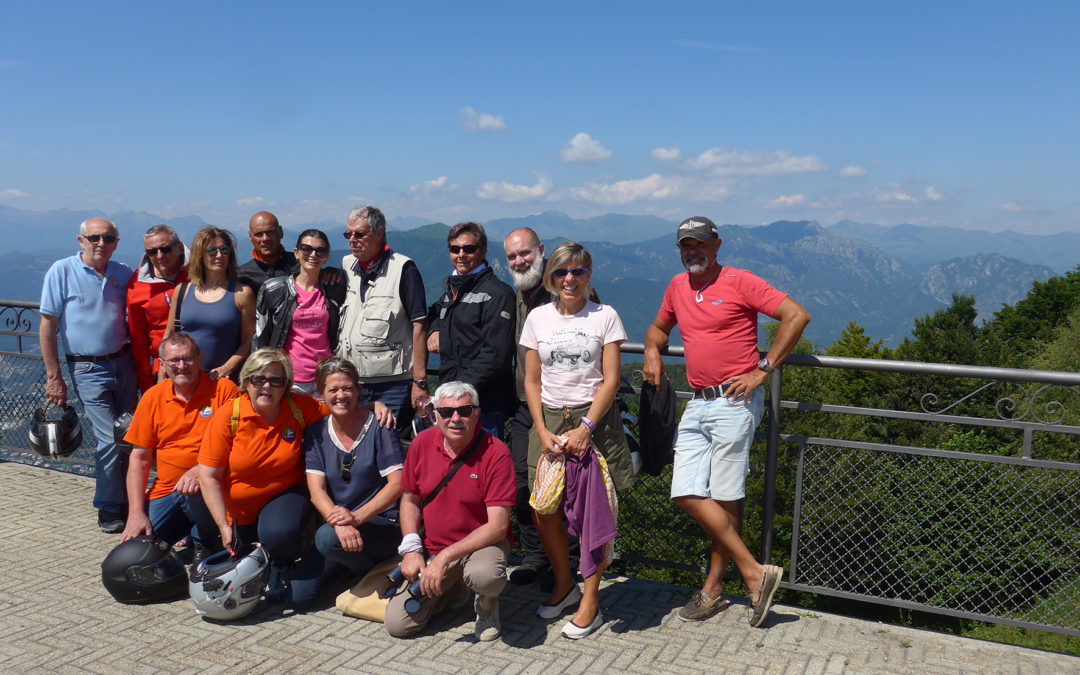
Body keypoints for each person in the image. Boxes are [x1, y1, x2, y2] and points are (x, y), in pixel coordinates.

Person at [642, 216, 811, 628]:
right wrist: (651, 348)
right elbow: (659, 327)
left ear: (717, 245)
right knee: (685, 491)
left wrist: (763, 369)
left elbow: (796, 316)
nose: (691, 251)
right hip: (697, 402)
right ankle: (754, 572)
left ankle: (715, 588)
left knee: (725, 496)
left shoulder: (740, 281)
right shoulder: (677, 286)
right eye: (685, 245)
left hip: (736, 401)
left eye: (699, 244)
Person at [198, 349, 394, 607]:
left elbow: (341, 405)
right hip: (240, 512)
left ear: (286, 386)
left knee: (279, 533)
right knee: (278, 581)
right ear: (246, 382)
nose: (267, 386)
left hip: (284, 499)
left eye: (276, 381)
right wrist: (223, 527)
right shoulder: (228, 415)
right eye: (258, 379)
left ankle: (281, 565)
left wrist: (371, 406)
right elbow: (208, 476)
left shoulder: (300, 408)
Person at [520, 241, 632, 639]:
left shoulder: (606, 317)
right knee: (544, 508)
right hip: (548, 418)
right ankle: (564, 582)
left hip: (593, 419)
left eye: (579, 271)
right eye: (562, 272)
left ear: (589, 274)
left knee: (591, 511)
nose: (570, 279)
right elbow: (531, 380)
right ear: (550, 277)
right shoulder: (537, 318)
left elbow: (612, 379)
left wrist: (585, 427)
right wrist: (541, 427)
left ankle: (590, 599)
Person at [384, 381, 515, 642]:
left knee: (485, 575)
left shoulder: (496, 453)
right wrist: (411, 548)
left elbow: (498, 526)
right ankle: (453, 588)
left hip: (480, 546)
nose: (455, 419)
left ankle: (486, 606)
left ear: (477, 413)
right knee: (398, 624)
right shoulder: (421, 443)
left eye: (464, 411)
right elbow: (409, 500)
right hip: (434, 548)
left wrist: (444, 559)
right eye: (446, 412)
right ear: (435, 416)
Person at [39, 217, 138, 533]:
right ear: (80, 241)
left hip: (124, 363)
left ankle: (125, 501)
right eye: (94, 238)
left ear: (116, 243)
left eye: (108, 238)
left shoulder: (123, 273)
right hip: (87, 367)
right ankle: (108, 507)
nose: (101, 244)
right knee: (110, 438)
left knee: (130, 435)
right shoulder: (63, 271)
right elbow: (48, 325)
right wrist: (54, 376)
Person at [121, 333, 236, 564]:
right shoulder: (153, 397)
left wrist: (201, 470)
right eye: (174, 361)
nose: (182, 366)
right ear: (162, 364)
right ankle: (182, 538)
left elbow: (238, 444)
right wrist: (135, 513)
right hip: (167, 491)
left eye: (188, 359)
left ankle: (205, 540)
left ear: (200, 358)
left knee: (196, 490)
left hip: (211, 486)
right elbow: (140, 459)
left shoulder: (224, 390)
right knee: (138, 551)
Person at [305, 357, 404, 595]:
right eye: (334, 389)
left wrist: (355, 519)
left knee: (327, 540)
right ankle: (350, 563)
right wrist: (340, 523)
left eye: (348, 388)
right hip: (339, 525)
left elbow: (398, 484)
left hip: (380, 524)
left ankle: (372, 571)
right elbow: (316, 491)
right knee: (301, 595)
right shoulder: (316, 433)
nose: (341, 395)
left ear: (358, 390)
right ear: (321, 393)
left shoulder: (380, 426)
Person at [338, 206, 429, 422]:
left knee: (388, 445)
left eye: (359, 234)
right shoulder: (346, 266)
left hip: (392, 385)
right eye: (348, 234)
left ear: (379, 233)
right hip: (350, 381)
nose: (352, 240)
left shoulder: (404, 269)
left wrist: (420, 381)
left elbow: (420, 325)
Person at [426, 222, 515, 439]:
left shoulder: (499, 294)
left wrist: (459, 392)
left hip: (484, 406)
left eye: (469, 249)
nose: (461, 254)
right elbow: (433, 313)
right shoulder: (453, 289)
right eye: (455, 249)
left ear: (483, 251)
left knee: (484, 468)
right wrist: (434, 330)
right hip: (450, 402)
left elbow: (496, 355)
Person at [253, 229, 346, 396]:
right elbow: (260, 337)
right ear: (296, 253)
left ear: (326, 256)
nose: (313, 255)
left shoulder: (335, 289)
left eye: (320, 251)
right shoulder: (274, 289)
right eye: (306, 249)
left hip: (324, 379)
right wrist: (258, 377)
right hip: (288, 380)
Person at [165, 227, 255, 381]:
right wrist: (163, 368)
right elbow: (169, 334)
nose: (219, 255)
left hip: (223, 381)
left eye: (224, 250)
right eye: (212, 250)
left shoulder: (242, 294)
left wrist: (227, 368)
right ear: (200, 255)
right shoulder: (182, 291)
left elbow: (249, 340)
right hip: (184, 378)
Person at [127, 225, 190, 393]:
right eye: (152, 252)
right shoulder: (137, 286)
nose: (159, 256)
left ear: (179, 247)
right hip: (164, 370)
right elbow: (138, 340)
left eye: (165, 249)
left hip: (205, 363)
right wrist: (146, 383)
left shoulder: (200, 269)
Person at [237, 211, 297, 291]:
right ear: (250, 237)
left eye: (270, 232)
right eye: (259, 234)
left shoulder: (300, 265)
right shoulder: (241, 276)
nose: (265, 239)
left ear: (281, 232)